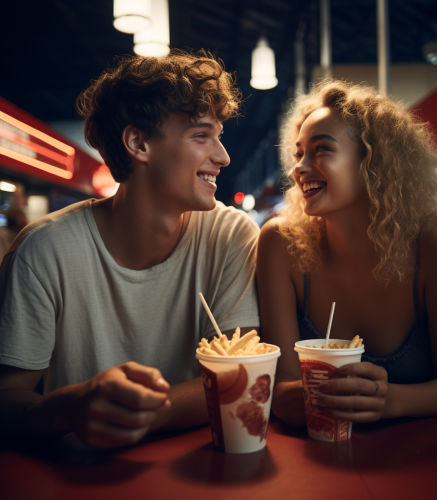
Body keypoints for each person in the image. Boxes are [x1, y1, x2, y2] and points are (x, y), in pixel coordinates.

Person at [0, 51, 260, 448]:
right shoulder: (43, 251)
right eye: (201, 135)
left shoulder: (229, 235)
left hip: (194, 471)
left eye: (219, 136)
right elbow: (7, 402)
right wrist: (71, 408)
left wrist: (139, 411)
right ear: (138, 143)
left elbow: (239, 372)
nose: (222, 156)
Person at [257, 80, 437, 427]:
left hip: (418, 462)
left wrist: (390, 401)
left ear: (372, 161)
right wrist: (284, 395)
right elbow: (283, 382)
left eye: (321, 150)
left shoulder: (435, 244)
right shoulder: (279, 243)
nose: (297, 168)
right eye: (299, 153)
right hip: (316, 460)